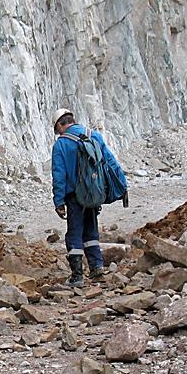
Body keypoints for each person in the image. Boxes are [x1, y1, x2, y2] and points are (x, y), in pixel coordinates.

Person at [50, 108, 125, 287]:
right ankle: (97, 267)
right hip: (94, 193)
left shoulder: (61, 144)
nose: (58, 133)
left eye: (57, 129)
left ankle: (77, 276)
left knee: (74, 233)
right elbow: (110, 161)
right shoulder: (94, 136)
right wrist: (122, 185)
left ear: (61, 124)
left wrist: (58, 201)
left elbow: (59, 175)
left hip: (74, 196)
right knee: (91, 231)